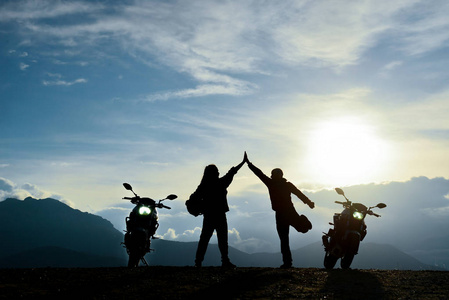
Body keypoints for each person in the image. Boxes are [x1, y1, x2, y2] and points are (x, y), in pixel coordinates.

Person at [244, 152, 315, 268]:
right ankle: (287, 262)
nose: (271, 176)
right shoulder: (274, 184)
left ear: (276, 175)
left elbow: (298, 193)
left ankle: (303, 222)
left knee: (291, 235)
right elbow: (259, 174)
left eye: (273, 175)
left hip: (287, 213)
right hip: (283, 214)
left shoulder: (277, 184)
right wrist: (308, 202)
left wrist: (308, 202)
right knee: (284, 239)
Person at [192, 154, 245, 268]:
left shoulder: (203, 186)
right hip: (219, 215)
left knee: (205, 239)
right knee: (221, 239)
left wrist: (199, 207)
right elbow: (232, 172)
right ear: (215, 173)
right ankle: (224, 261)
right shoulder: (221, 183)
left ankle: (198, 262)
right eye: (217, 171)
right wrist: (243, 162)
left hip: (209, 215)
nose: (218, 173)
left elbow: (193, 198)